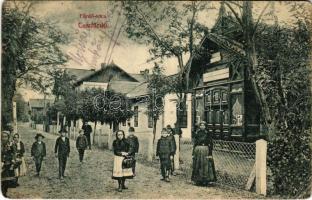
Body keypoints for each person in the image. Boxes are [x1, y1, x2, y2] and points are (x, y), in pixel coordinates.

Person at [191, 121, 216, 186]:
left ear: (205, 126)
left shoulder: (208, 133)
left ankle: (206, 180)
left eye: (203, 125)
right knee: (198, 165)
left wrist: (210, 154)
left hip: (205, 150)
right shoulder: (197, 133)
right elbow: (195, 143)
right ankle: (198, 180)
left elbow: (210, 144)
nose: (202, 126)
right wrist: (193, 153)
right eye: (201, 125)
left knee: (205, 165)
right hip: (197, 150)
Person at [1, 131, 17, 197]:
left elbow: (14, 152)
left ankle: (4, 192)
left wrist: (13, 159)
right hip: (1, 163)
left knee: (7, 179)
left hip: (8, 163)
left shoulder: (11, 144)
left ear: (8, 137)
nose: (4, 138)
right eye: (2, 137)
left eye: (5, 137)